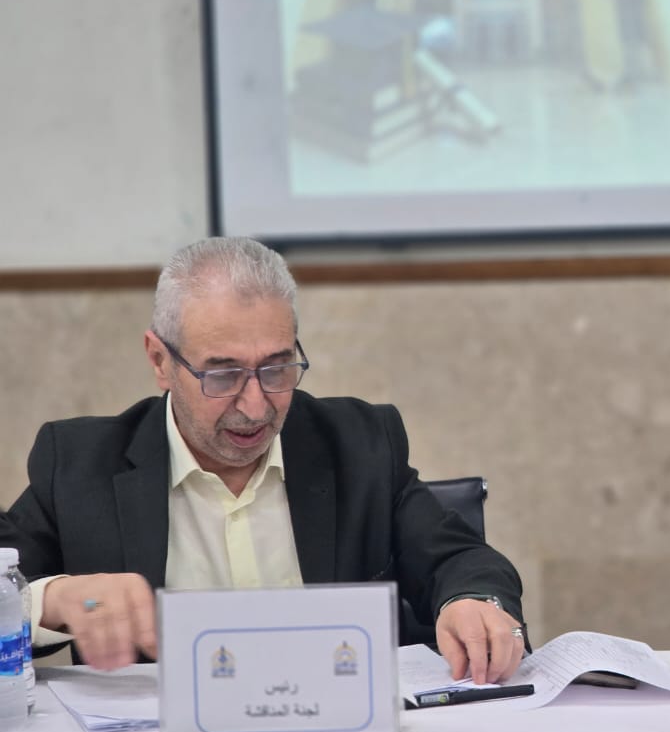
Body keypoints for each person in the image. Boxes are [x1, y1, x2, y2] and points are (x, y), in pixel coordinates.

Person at [1, 237, 526, 680]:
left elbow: (459, 560)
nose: (255, 406)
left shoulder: (360, 443)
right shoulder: (80, 465)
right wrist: (54, 600)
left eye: (277, 369)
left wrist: (473, 601)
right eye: (223, 374)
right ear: (160, 361)